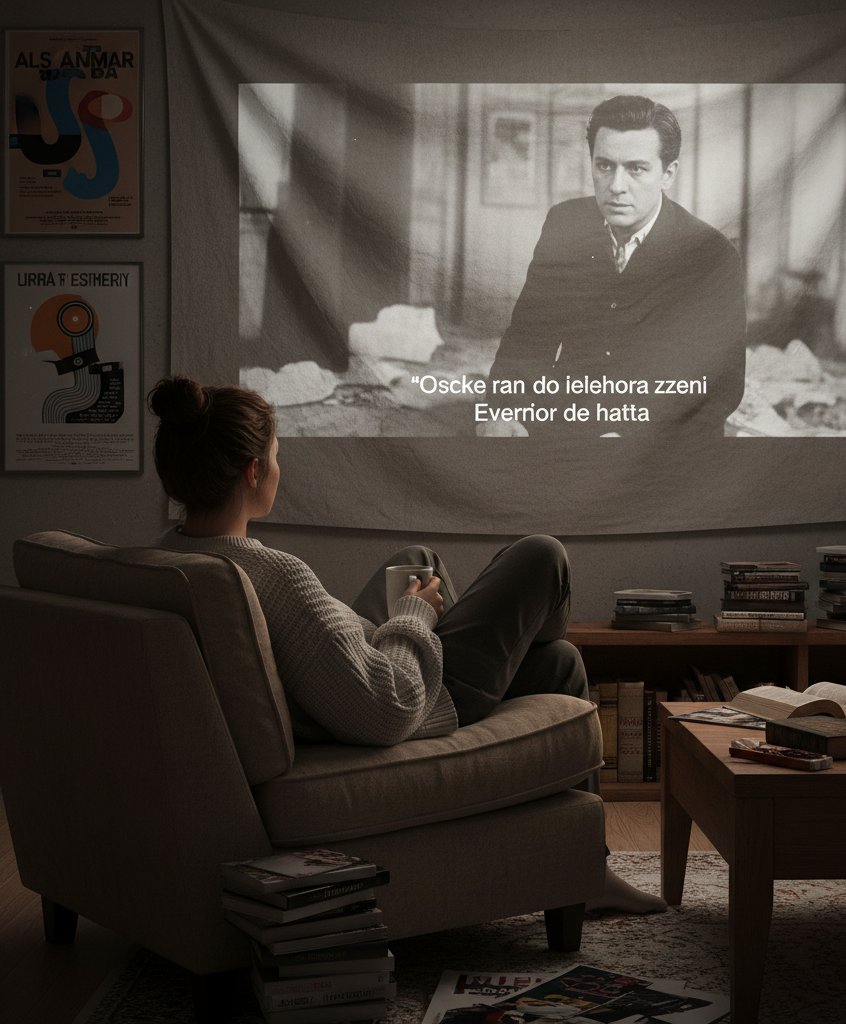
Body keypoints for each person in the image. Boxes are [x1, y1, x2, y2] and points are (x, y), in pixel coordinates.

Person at [148, 375, 665, 914]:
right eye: (277, 457)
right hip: (414, 700)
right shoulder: (276, 576)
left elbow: (322, 651)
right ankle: (589, 867)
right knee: (543, 563)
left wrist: (394, 623)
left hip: (338, 682)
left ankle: (585, 860)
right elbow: (389, 707)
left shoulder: (167, 561)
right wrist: (415, 618)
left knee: (419, 560)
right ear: (254, 471)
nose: (279, 468)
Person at [481, 94, 747, 439]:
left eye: (636, 168)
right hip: (569, 422)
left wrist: (634, 441)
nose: (616, 186)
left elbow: (721, 386)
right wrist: (503, 409)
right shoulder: (565, 223)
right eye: (605, 166)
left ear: (668, 173)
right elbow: (528, 338)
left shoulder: (711, 254)